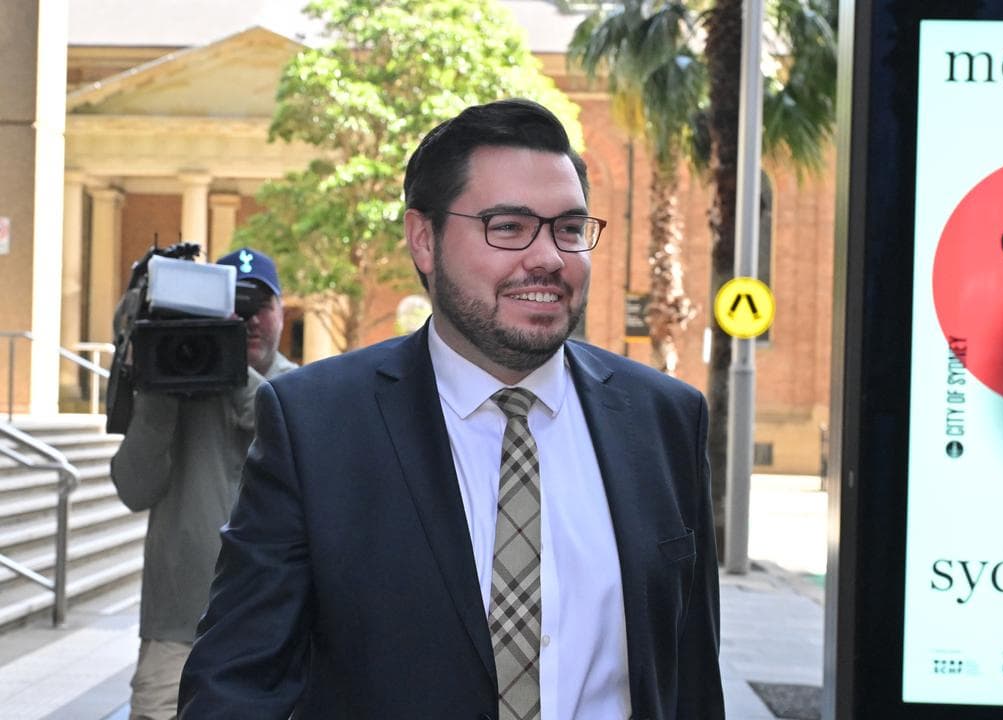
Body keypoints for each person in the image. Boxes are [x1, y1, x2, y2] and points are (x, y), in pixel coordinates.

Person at [178, 99, 725, 720]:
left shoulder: (664, 421)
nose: (547, 256)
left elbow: (692, 681)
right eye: (508, 226)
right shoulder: (318, 425)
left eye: (569, 228)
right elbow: (236, 683)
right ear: (424, 239)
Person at [110, 248, 295, 720]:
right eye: (237, 308)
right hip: (176, 630)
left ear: (281, 313)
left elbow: (273, 420)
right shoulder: (171, 381)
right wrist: (157, 395)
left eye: (260, 306)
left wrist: (231, 367)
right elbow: (134, 489)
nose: (250, 321)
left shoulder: (303, 392)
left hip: (277, 631)